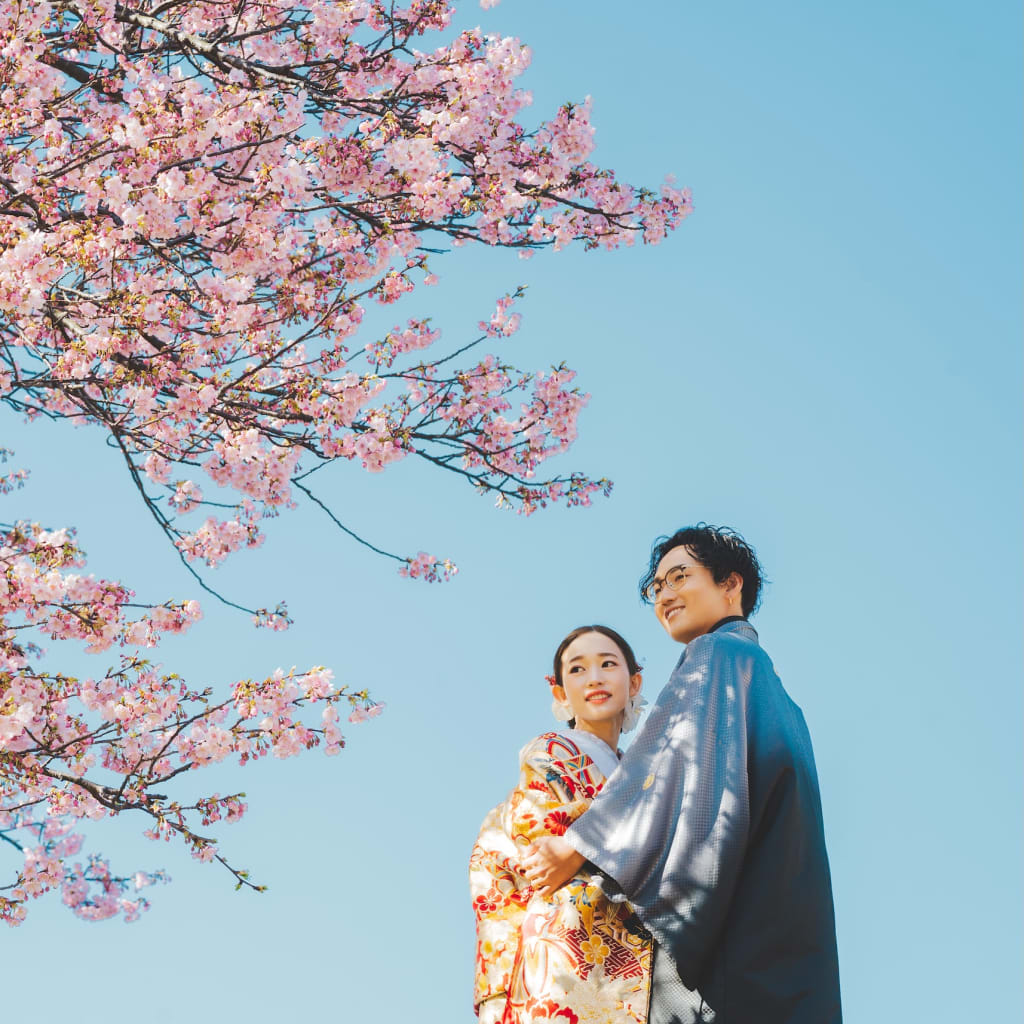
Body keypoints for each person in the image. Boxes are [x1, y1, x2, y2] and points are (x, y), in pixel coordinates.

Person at [523, 525, 842, 1024]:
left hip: (724, 954)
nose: (665, 595)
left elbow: (667, 767)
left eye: (679, 577)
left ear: (730, 584)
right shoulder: (767, 682)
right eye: (657, 587)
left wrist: (579, 843)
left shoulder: (716, 656)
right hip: (778, 943)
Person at [469, 625, 655, 1024]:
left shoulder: (636, 768)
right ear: (559, 693)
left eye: (608, 664)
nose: (595, 678)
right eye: (577, 670)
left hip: (626, 945)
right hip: (565, 944)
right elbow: (540, 839)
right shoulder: (549, 753)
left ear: (634, 682)